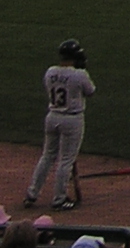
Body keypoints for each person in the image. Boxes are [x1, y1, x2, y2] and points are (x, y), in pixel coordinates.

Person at [21, 40, 93, 212]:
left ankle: (32, 194)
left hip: (52, 117)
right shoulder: (79, 75)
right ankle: (59, 199)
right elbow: (90, 91)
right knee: (66, 160)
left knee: (47, 156)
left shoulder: (50, 71)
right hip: (72, 119)